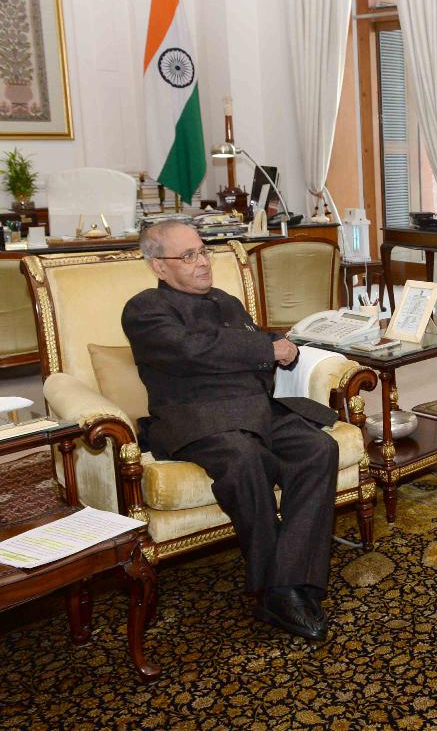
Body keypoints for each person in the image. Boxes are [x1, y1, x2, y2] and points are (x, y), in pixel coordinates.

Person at [122, 219, 341, 642]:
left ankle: (285, 584)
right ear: (159, 266)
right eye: (188, 256)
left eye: (203, 251)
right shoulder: (146, 308)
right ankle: (280, 590)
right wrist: (265, 348)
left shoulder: (225, 301)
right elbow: (190, 351)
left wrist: (285, 344)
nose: (203, 262)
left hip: (257, 410)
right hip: (196, 417)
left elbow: (254, 341)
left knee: (318, 448)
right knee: (244, 460)